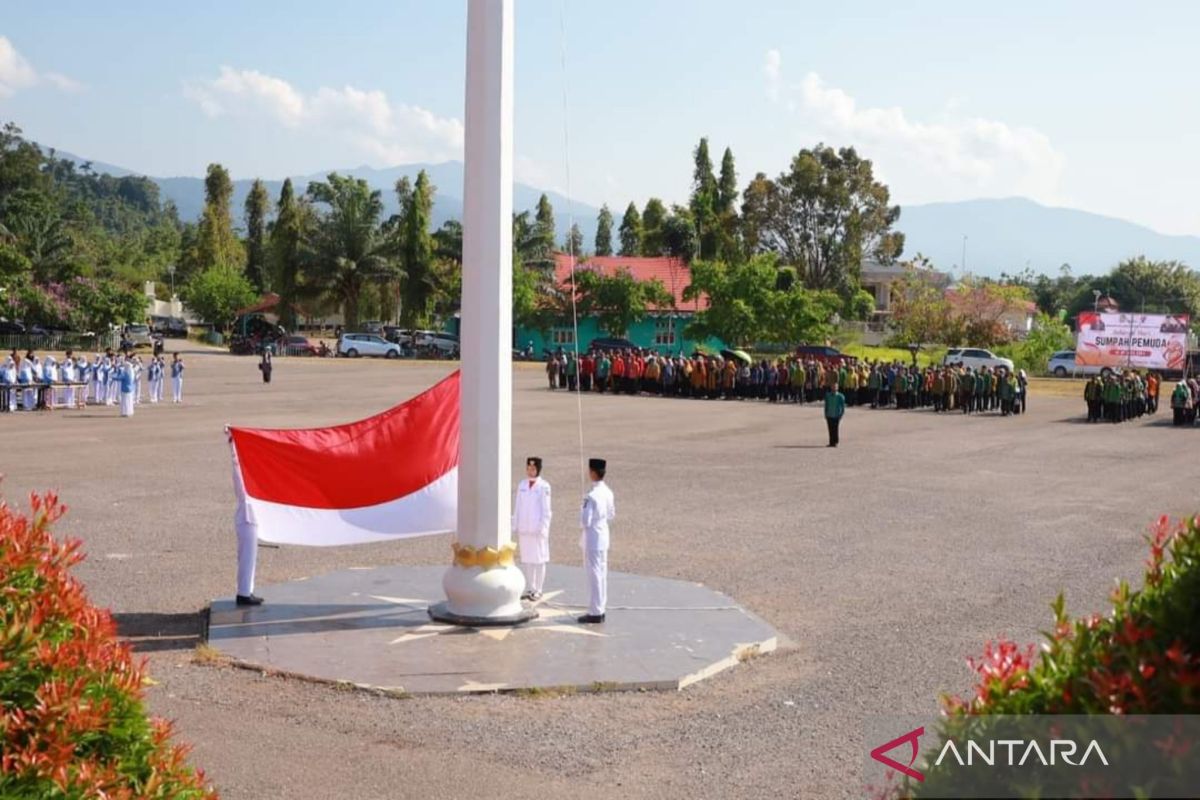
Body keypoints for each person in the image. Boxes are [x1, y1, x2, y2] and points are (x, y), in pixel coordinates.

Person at [578, 457, 615, 624]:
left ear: (592, 473)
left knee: (594, 575)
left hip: (593, 536)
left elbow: (585, 520)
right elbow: (611, 514)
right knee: (602, 573)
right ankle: (601, 608)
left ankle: (595, 611)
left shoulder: (591, 496)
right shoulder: (608, 492)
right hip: (604, 534)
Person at [228, 430, 263, 606]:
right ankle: (244, 593)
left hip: (248, 518)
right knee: (247, 557)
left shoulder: (245, 474)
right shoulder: (242, 475)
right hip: (247, 519)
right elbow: (237, 465)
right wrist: (234, 444)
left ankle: (246, 591)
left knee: (248, 558)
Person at [512, 456, 552, 601]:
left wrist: (543, 528)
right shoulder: (522, 484)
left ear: (538, 469)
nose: (530, 471)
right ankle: (530, 588)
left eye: (533, 468)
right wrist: (515, 524)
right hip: (525, 528)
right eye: (528, 468)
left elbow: (546, 510)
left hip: (537, 529)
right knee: (527, 559)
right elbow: (517, 506)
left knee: (539, 559)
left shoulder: (544, 486)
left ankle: (538, 589)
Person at [824, 381, 846, 448]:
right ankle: (831, 442)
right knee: (830, 429)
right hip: (829, 414)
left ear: (837, 388)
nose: (834, 388)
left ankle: (835, 442)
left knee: (835, 429)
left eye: (835, 387)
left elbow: (842, 407)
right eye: (832, 386)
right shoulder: (828, 395)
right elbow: (826, 405)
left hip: (836, 415)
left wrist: (841, 414)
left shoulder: (840, 396)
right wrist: (825, 413)